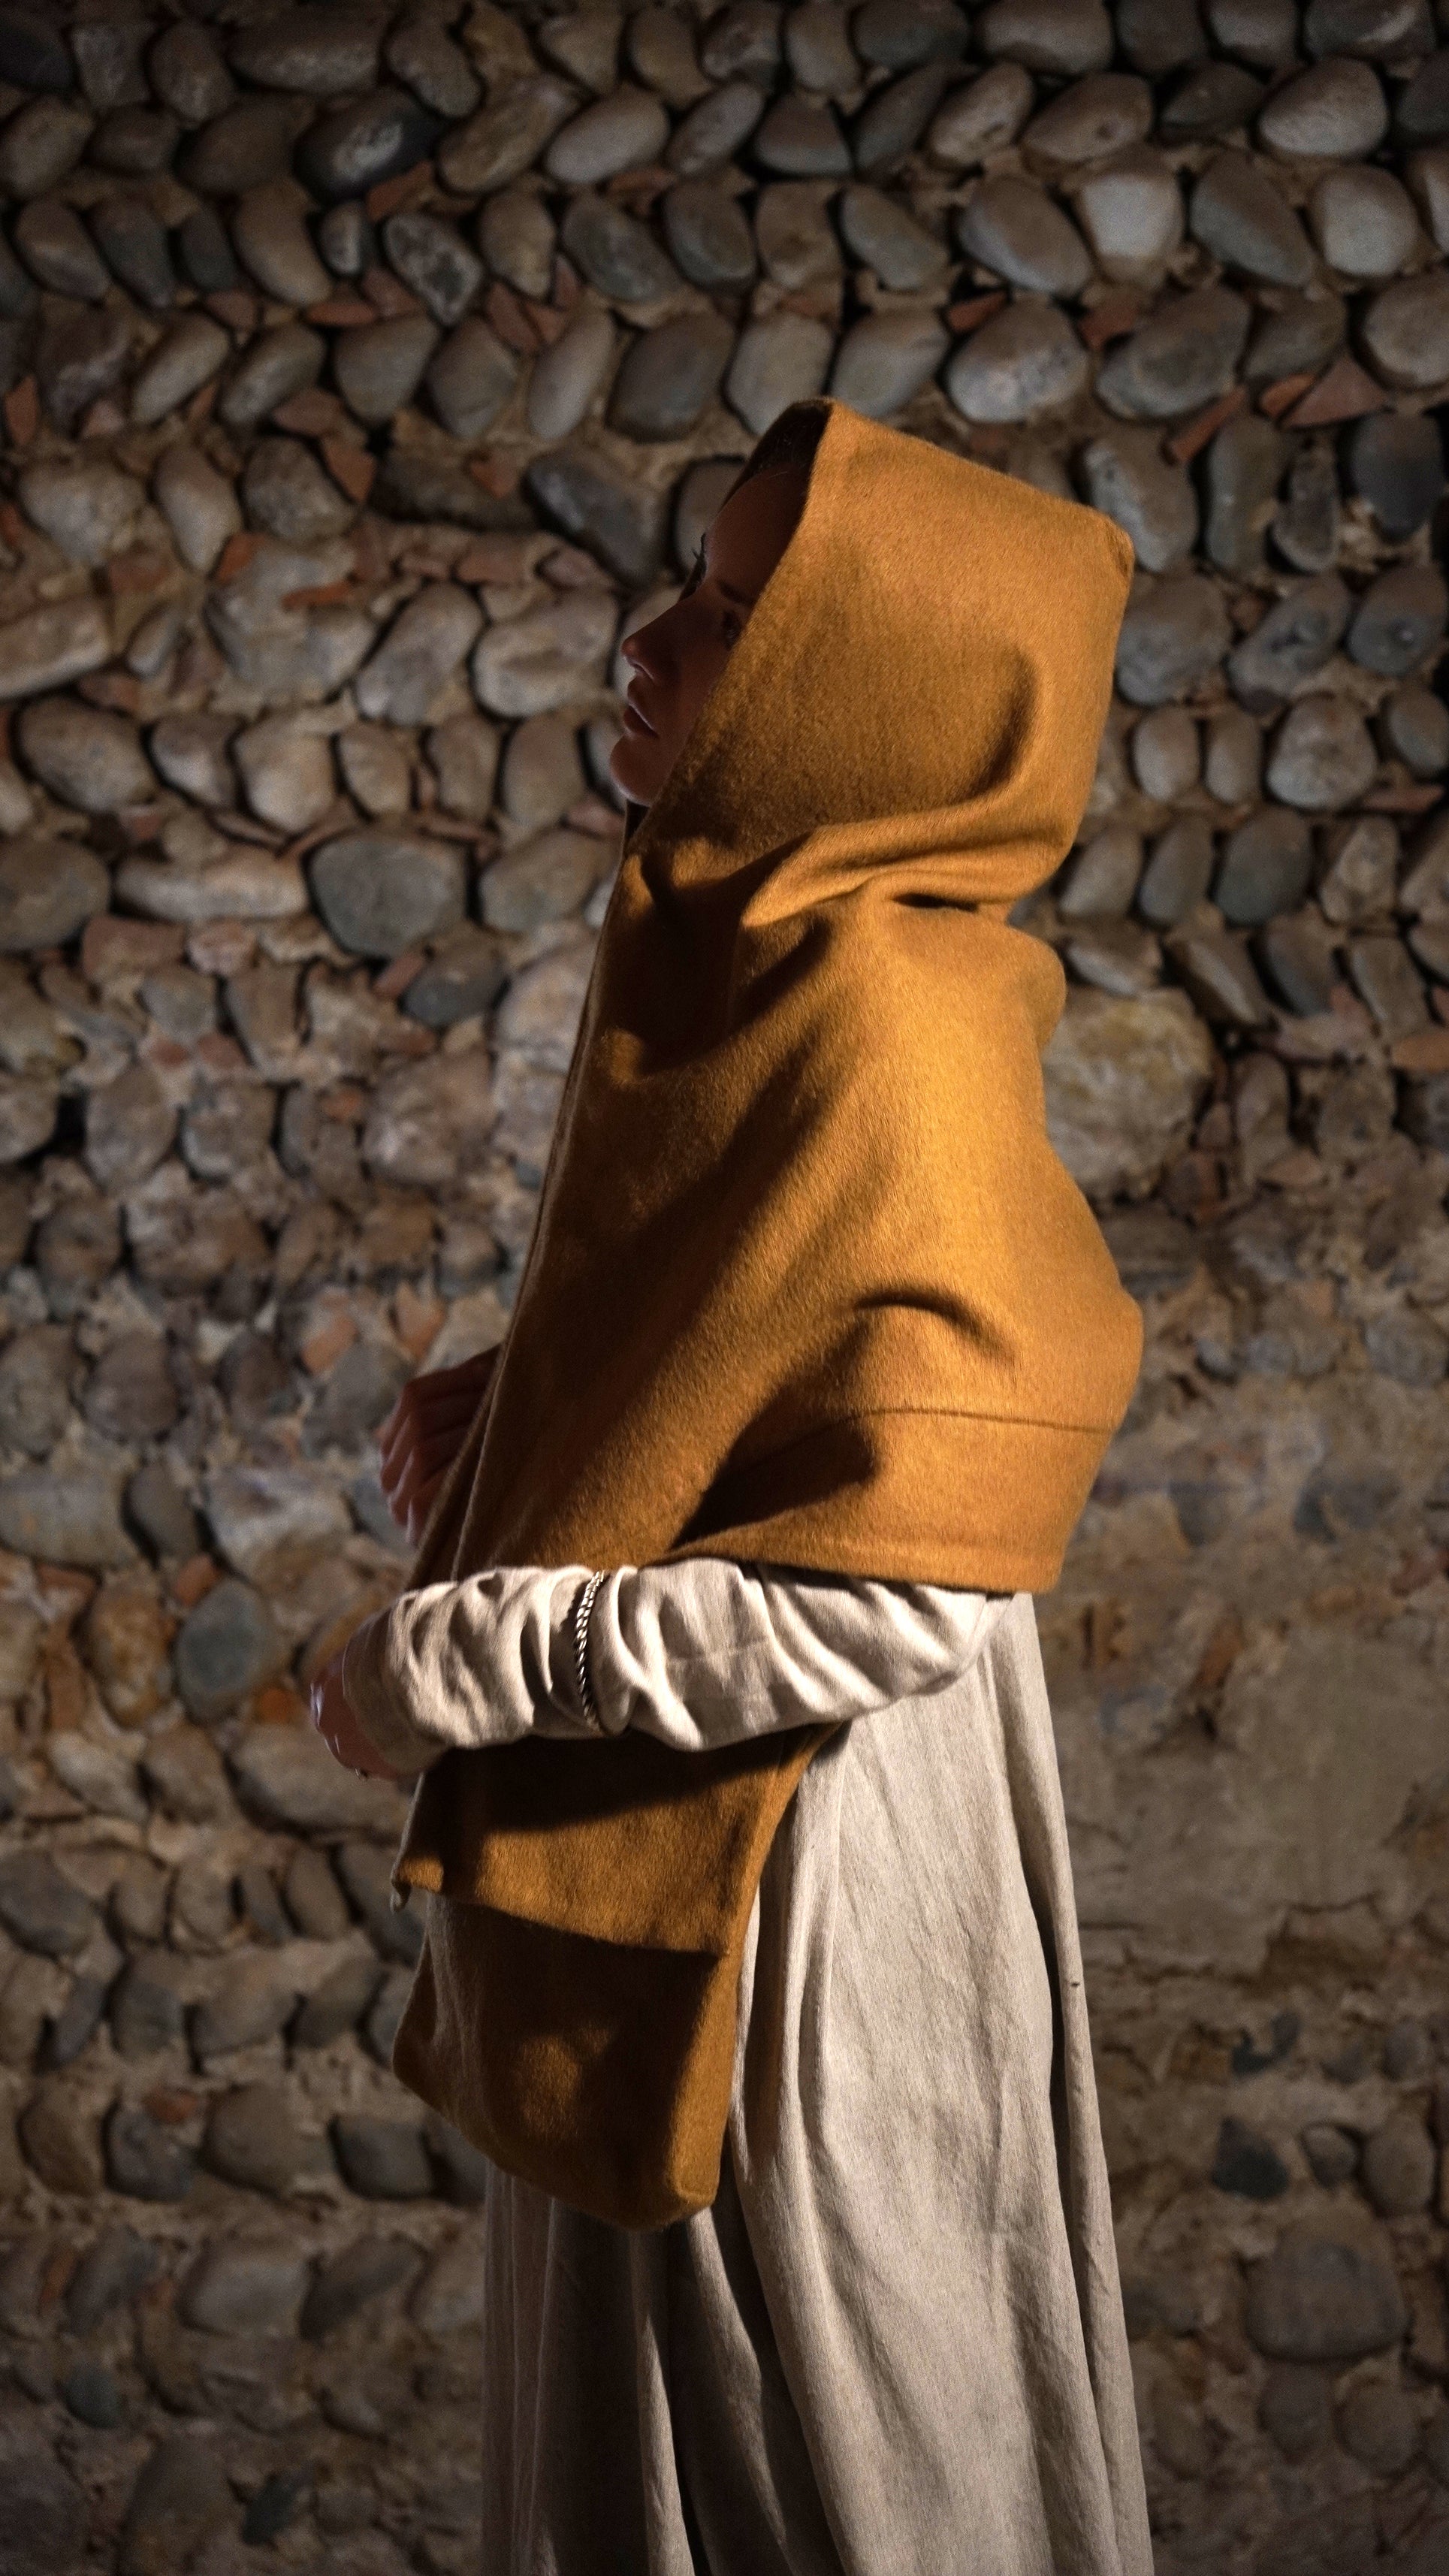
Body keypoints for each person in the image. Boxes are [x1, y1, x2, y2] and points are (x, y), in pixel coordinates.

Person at [310, 397, 1154, 2574]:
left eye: (734, 615)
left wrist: (457, 1659)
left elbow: (903, 1591)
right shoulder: (763, 959)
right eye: (691, 589)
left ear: (869, 698)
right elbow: (774, 1323)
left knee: (816, 2492)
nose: (650, 644)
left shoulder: (885, 1016)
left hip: (791, 1919)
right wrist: (552, 1393)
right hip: (689, 1857)